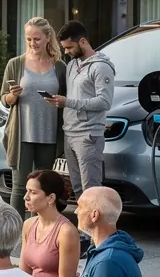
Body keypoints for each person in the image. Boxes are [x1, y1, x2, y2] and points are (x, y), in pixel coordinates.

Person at [0, 17, 67, 216]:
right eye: (28, 39)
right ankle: (14, 232)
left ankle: (38, 230)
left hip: (48, 136)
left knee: (42, 189)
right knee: (20, 187)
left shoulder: (60, 67)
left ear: (48, 38)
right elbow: (5, 99)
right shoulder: (15, 64)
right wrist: (13, 95)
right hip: (22, 136)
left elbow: (67, 99)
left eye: (36, 39)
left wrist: (60, 100)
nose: (32, 44)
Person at [46, 21, 115, 198]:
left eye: (69, 47)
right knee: (77, 189)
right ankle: (83, 226)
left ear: (83, 42)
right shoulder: (71, 65)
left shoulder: (101, 67)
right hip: (69, 134)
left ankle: (94, 226)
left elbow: (104, 102)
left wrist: (68, 102)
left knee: (91, 191)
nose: (66, 52)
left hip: (88, 136)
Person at [20, 170, 80, 277]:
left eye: (33, 192)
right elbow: (24, 273)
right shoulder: (28, 225)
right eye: (27, 191)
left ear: (51, 198)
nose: (26, 197)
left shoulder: (66, 232)